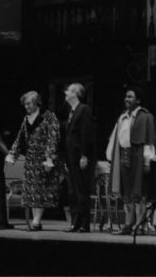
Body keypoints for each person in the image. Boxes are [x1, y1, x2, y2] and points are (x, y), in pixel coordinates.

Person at [5, 91, 61, 231]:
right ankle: (36, 222)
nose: (26, 106)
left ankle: (36, 221)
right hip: (30, 160)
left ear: (36, 103)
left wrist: (49, 158)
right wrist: (13, 154)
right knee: (31, 192)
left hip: (43, 159)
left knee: (39, 191)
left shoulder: (49, 117)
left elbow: (53, 139)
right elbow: (19, 138)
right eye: (25, 104)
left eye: (29, 103)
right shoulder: (26, 119)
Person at [106, 87, 156, 235]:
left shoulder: (146, 117)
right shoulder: (122, 117)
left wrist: (147, 161)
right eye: (126, 97)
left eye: (130, 97)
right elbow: (115, 138)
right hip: (124, 155)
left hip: (138, 156)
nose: (126, 99)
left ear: (138, 100)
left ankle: (139, 224)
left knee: (138, 191)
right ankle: (128, 224)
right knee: (126, 190)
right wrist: (112, 157)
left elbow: (149, 140)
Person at [63, 83, 94, 233]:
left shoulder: (84, 110)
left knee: (81, 190)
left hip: (79, 157)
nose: (65, 92)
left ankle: (84, 224)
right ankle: (75, 222)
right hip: (71, 157)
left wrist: (84, 155)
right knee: (73, 192)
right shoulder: (72, 111)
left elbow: (85, 134)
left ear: (75, 93)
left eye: (68, 90)